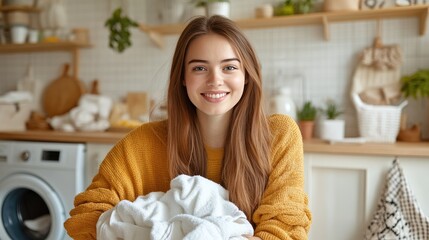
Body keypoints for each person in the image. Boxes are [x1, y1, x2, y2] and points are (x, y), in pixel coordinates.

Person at [64, 15, 311, 240]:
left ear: (247, 74)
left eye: (229, 67)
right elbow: (86, 218)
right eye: (199, 68)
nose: (215, 80)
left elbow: (284, 229)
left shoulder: (279, 134)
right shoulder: (143, 143)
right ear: (182, 77)